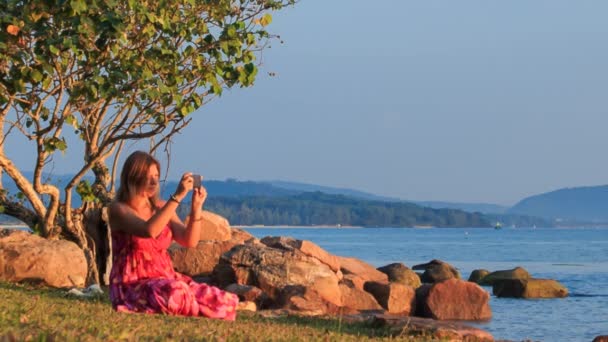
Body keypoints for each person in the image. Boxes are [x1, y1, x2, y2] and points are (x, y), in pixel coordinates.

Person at [108, 151, 238, 320]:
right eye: (148, 176)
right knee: (176, 292)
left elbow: (189, 240)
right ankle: (199, 308)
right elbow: (150, 230)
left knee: (221, 298)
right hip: (133, 284)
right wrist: (177, 196)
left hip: (167, 278)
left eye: (156, 175)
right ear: (133, 177)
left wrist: (196, 207)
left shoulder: (162, 207)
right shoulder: (119, 209)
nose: (154, 181)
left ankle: (197, 306)